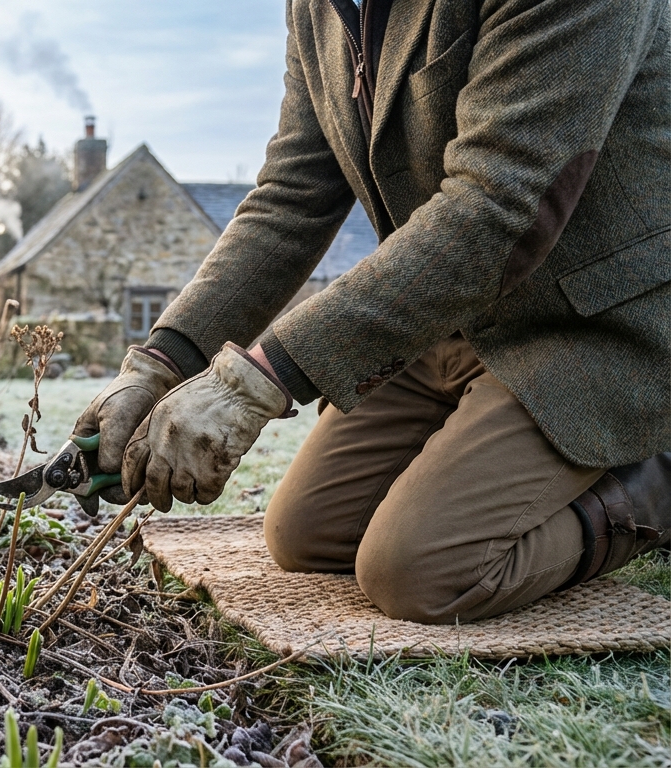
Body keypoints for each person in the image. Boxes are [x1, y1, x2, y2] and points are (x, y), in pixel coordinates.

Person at [75, 0, 671, 624]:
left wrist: (255, 383)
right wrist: (161, 363)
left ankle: (656, 478)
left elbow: (495, 206)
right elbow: (292, 194)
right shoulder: (318, 9)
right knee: (307, 536)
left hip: (588, 321)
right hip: (446, 322)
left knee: (419, 571)